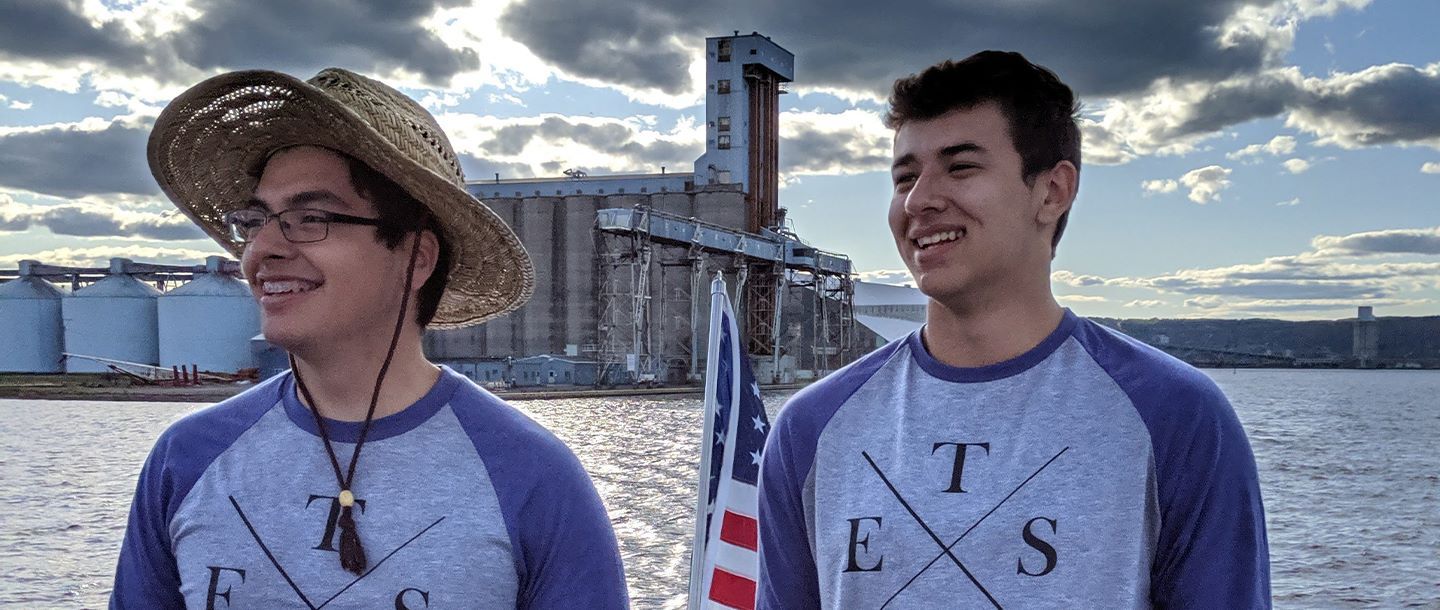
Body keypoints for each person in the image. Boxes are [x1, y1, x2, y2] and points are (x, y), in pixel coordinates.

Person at [757, 51, 1269, 608]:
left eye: (961, 167)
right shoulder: (811, 430)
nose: (919, 200)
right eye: (905, 176)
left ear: (1052, 191)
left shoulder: (1176, 417)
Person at [111, 68, 628, 608]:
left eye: (311, 216)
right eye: (255, 220)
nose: (261, 249)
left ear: (417, 256)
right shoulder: (186, 458)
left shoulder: (532, 477)